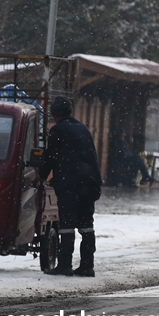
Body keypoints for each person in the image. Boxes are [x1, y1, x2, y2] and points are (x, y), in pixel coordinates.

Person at [40, 96, 102, 277]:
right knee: (86, 226)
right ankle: (87, 265)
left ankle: (65, 264)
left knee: (66, 225)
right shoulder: (83, 129)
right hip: (89, 184)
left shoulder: (58, 131)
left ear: (53, 114)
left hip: (71, 184)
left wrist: (41, 176)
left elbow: (51, 157)